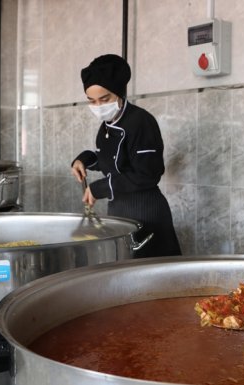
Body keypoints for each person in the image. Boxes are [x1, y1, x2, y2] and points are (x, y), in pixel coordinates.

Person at [71, 54, 181, 258]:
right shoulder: (107, 124)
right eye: (91, 101)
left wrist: (99, 188)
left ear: (119, 94)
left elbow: (147, 174)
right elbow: (108, 159)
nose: (98, 106)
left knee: (152, 276)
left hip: (146, 211)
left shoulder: (141, 121)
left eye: (104, 99)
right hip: (119, 210)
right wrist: (83, 160)